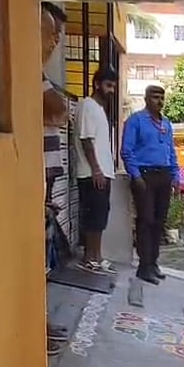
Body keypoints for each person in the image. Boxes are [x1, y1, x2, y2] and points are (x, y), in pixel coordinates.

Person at [121, 85, 181, 285]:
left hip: (163, 175)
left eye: (162, 97)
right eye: (155, 97)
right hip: (144, 176)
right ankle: (143, 266)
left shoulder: (167, 124)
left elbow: (171, 152)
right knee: (145, 221)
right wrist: (136, 176)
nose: (159, 101)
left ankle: (153, 263)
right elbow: (126, 151)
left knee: (159, 221)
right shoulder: (135, 121)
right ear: (146, 99)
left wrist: (175, 176)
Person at [41, 1, 69, 355]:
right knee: (38, 260)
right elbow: (60, 110)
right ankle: (39, 326)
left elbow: (61, 112)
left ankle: (42, 322)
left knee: (44, 259)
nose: (56, 42)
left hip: (45, 181)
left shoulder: (43, 77)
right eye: (52, 33)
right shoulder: (33, 75)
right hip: (36, 181)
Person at [74, 68, 119, 274]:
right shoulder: (87, 106)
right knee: (93, 217)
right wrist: (96, 170)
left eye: (113, 87)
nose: (111, 90)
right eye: (108, 85)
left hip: (102, 172)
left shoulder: (100, 109)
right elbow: (86, 139)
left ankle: (96, 257)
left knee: (100, 216)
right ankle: (90, 258)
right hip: (91, 173)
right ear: (97, 84)